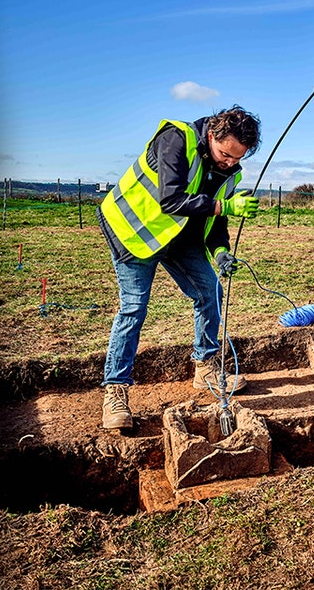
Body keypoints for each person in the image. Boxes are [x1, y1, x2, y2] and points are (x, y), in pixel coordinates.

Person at [97, 106, 261, 429]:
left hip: (175, 236)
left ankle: (205, 368)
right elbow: (170, 200)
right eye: (225, 154)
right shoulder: (176, 139)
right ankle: (115, 391)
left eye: (236, 159)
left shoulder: (229, 171)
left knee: (210, 290)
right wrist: (226, 204)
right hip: (134, 231)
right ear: (212, 135)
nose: (229, 163)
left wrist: (221, 253)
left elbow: (215, 221)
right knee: (133, 308)